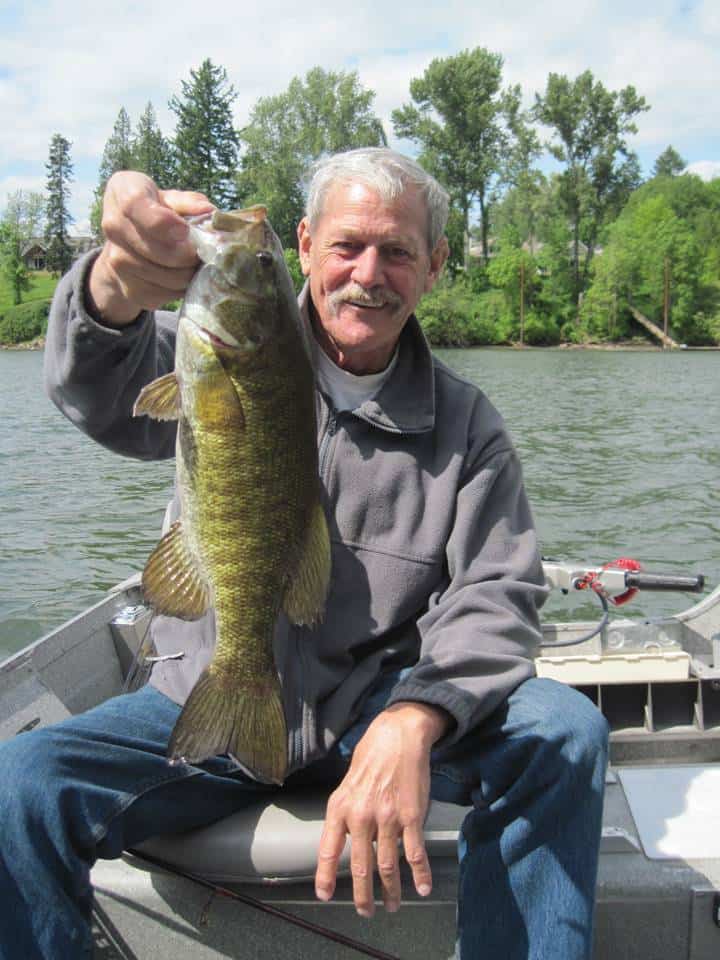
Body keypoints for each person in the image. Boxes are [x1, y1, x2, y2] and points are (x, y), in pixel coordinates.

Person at [0, 148, 608, 960]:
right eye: (347, 245)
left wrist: (415, 715)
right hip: (205, 687)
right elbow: (98, 388)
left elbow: (497, 592)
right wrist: (112, 289)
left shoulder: (470, 429)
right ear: (307, 245)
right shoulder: (218, 349)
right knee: (21, 784)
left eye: (397, 252)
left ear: (433, 267)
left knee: (562, 731)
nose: (368, 273)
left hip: (371, 707)